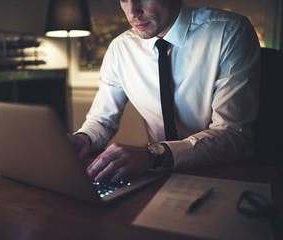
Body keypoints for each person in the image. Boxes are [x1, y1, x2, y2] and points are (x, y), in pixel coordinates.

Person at [67, 0, 261, 183]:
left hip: (225, 174)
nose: (133, 12)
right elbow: (101, 120)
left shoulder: (228, 31)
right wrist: (84, 139)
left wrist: (157, 154)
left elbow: (234, 134)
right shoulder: (120, 48)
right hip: (158, 177)